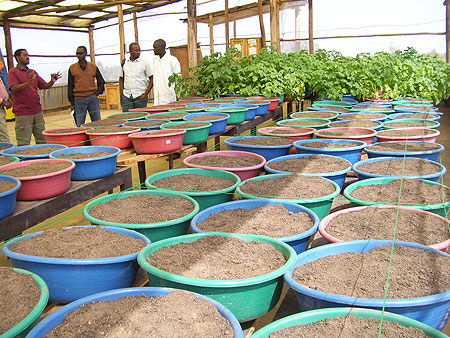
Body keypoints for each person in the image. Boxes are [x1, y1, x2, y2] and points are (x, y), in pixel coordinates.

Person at [8, 49, 61, 146]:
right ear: (18, 57)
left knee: (42, 139)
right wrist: (28, 82)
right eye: (25, 55)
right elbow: (13, 88)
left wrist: (52, 81)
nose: (28, 57)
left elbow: (44, 86)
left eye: (28, 55)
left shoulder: (32, 72)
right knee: (24, 142)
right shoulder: (13, 72)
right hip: (23, 113)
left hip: (37, 111)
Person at [68, 46, 105, 127]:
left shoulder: (93, 67)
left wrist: (96, 93)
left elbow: (101, 81)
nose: (79, 55)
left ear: (86, 54)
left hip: (92, 98)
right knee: (80, 125)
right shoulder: (72, 68)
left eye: (80, 53)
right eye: (77, 54)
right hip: (79, 99)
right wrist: (72, 103)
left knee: (97, 123)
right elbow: (70, 86)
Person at [119, 42, 152, 112]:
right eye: (136, 50)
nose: (138, 52)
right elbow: (121, 78)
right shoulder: (124, 63)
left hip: (140, 97)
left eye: (139, 50)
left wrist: (145, 94)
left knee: (140, 120)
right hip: (127, 96)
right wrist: (122, 93)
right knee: (127, 118)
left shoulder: (144, 63)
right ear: (130, 51)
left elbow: (152, 79)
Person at [150, 39, 181, 105]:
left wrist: (177, 94)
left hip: (169, 97)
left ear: (163, 48)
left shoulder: (172, 60)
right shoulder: (155, 60)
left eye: (155, 47)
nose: (154, 50)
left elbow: (177, 79)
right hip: (157, 96)